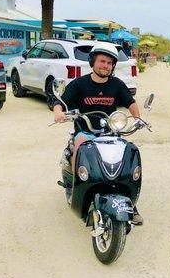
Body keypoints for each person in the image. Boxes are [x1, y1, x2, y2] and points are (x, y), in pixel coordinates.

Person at [52, 42, 144, 224]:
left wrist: (138, 118)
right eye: (102, 61)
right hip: (86, 132)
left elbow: (130, 102)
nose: (105, 66)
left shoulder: (116, 84)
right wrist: (58, 112)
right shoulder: (79, 83)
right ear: (93, 62)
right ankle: (76, 185)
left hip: (111, 133)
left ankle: (130, 203)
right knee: (80, 145)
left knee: (128, 154)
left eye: (109, 63)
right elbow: (61, 102)